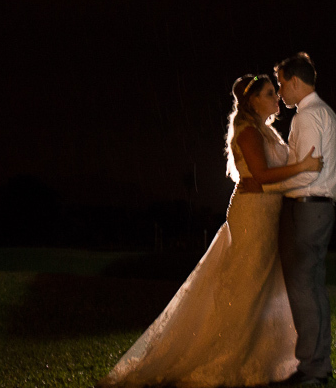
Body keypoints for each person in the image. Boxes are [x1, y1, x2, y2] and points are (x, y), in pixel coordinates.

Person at [97, 73, 324, 388]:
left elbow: (274, 174)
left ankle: (262, 355)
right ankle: (226, 354)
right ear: (252, 100)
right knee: (248, 281)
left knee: (266, 283)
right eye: (270, 93)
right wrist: (301, 168)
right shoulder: (246, 131)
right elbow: (260, 175)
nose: (277, 98)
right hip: (253, 215)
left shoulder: (266, 131)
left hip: (269, 214)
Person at [249, 52, 336, 386]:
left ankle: (312, 369)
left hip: (306, 209)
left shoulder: (307, 117)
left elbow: (307, 175)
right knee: (313, 289)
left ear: (295, 81)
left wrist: (270, 185)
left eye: (281, 84)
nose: (280, 91)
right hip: (319, 208)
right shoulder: (326, 113)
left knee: (303, 289)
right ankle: (319, 364)